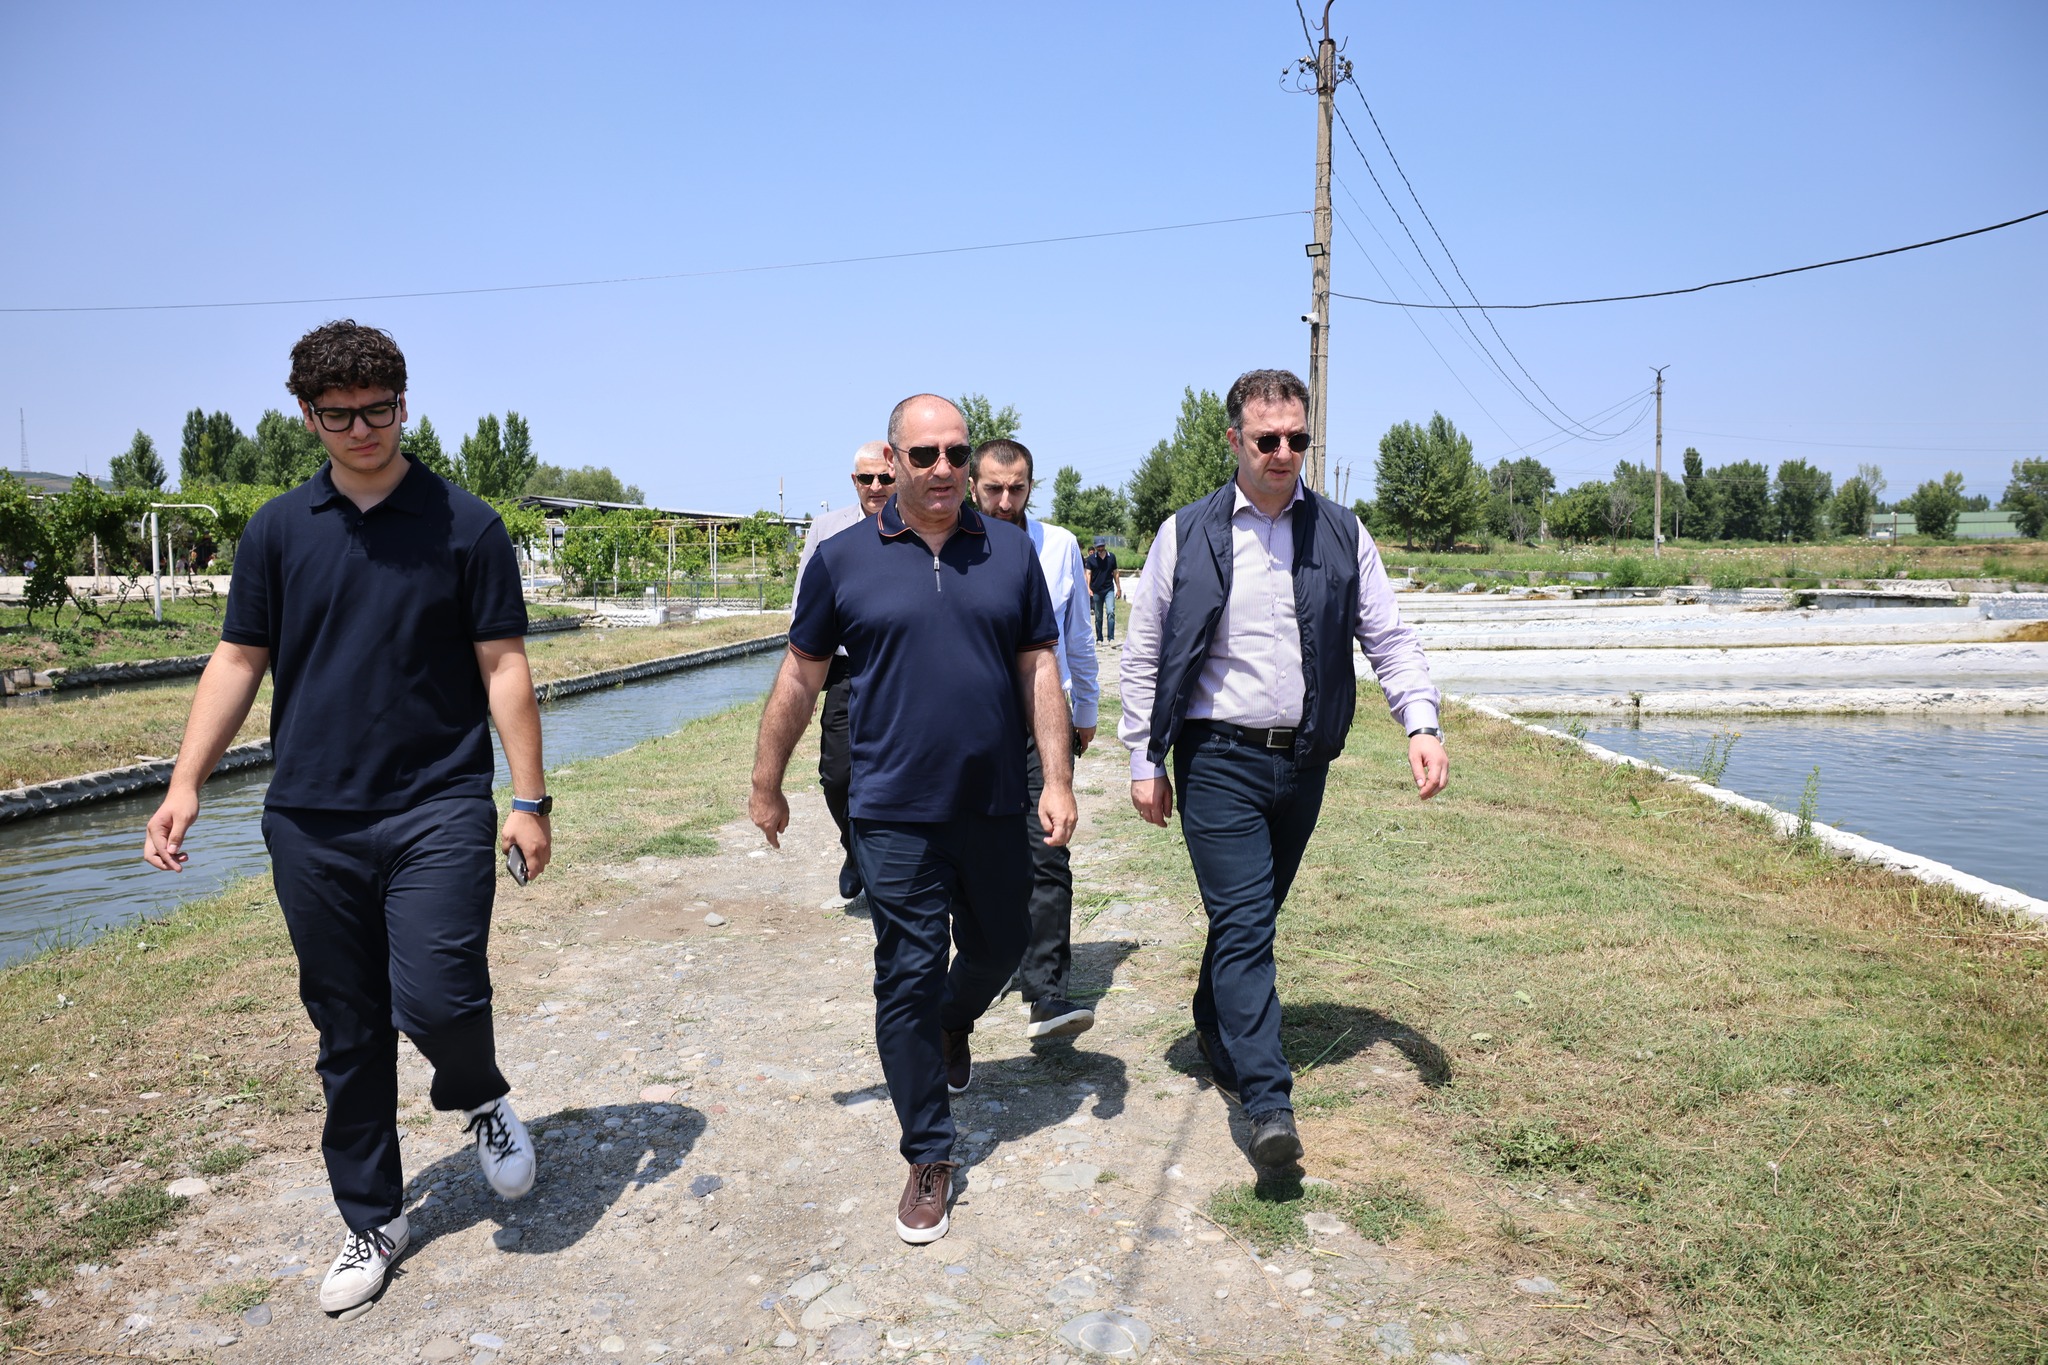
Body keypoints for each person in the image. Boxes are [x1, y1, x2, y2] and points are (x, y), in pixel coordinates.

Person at [142, 321, 551, 1313]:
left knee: (440, 998)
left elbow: (503, 664)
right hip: (311, 817)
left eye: (378, 410)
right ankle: (374, 1217)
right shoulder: (279, 530)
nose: (362, 430)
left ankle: (478, 1093)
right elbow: (238, 659)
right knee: (348, 1024)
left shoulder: (465, 525)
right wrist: (186, 782)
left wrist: (528, 797)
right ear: (306, 415)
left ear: (405, 403)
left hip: (437, 803)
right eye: (340, 415)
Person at [750, 394, 1077, 1245]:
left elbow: (1040, 667)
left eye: (956, 454)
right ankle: (929, 1151)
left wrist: (1058, 779)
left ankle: (954, 1019)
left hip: (993, 799)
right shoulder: (843, 559)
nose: (943, 469)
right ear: (892, 460)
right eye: (924, 454)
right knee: (906, 973)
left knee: (1003, 943)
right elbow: (800, 674)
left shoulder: (1009, 552)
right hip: (891, 809)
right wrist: (766, 780)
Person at [1119, 368, 1447, 1169]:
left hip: (1303, 762)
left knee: (1251, 915)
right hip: (1216, 759)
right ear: (1234, 440)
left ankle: (1213, 1017)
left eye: (1297, 439)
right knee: (1245, 924)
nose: (1283, 452)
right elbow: (1146, 649)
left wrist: (1420, 721)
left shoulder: (1341, 532)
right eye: (1267, 439)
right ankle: (1267, 1103)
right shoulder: (1184, 533)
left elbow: (1388, 636)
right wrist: (1143, 755)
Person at [968, 439, 1099, 1041]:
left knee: (1048, 847)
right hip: (973, 723)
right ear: (972, 486)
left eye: (1016, 489)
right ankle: (988, 962)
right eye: (993, 489)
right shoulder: (953, 546)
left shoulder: (1059, 546)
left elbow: (1077, 634)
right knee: (979, 854)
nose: (1004, 501)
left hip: (1043, 719)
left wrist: (1085, 708)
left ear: (1030, 487)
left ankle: (1047, 991)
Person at [792, 439, 897, 909]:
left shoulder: (919, 526)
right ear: (853, 481)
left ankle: (890, 863)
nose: (876, 486)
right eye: (866, 478)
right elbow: (804, 605)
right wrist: (803, 676)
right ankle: (854, 849)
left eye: (884, 478)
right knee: (837, 774)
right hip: (845, 668)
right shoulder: (827, 530)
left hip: (900, 665)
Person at [1083, 535, 1120, 642]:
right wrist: (1088, 588)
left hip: (1109, 589)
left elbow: (1115, 573)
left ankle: (1111, 637)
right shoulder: (1091, 559)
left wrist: (1119, 588)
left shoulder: (1111, 557)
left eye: (1102, 546)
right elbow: (1088, 574)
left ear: (1105, 545)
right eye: (1098, 546)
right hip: (1096, 590)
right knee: (1098, 616)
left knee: (1110, 612)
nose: (1100, 548)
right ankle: (1099, 638)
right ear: (1095, 547)